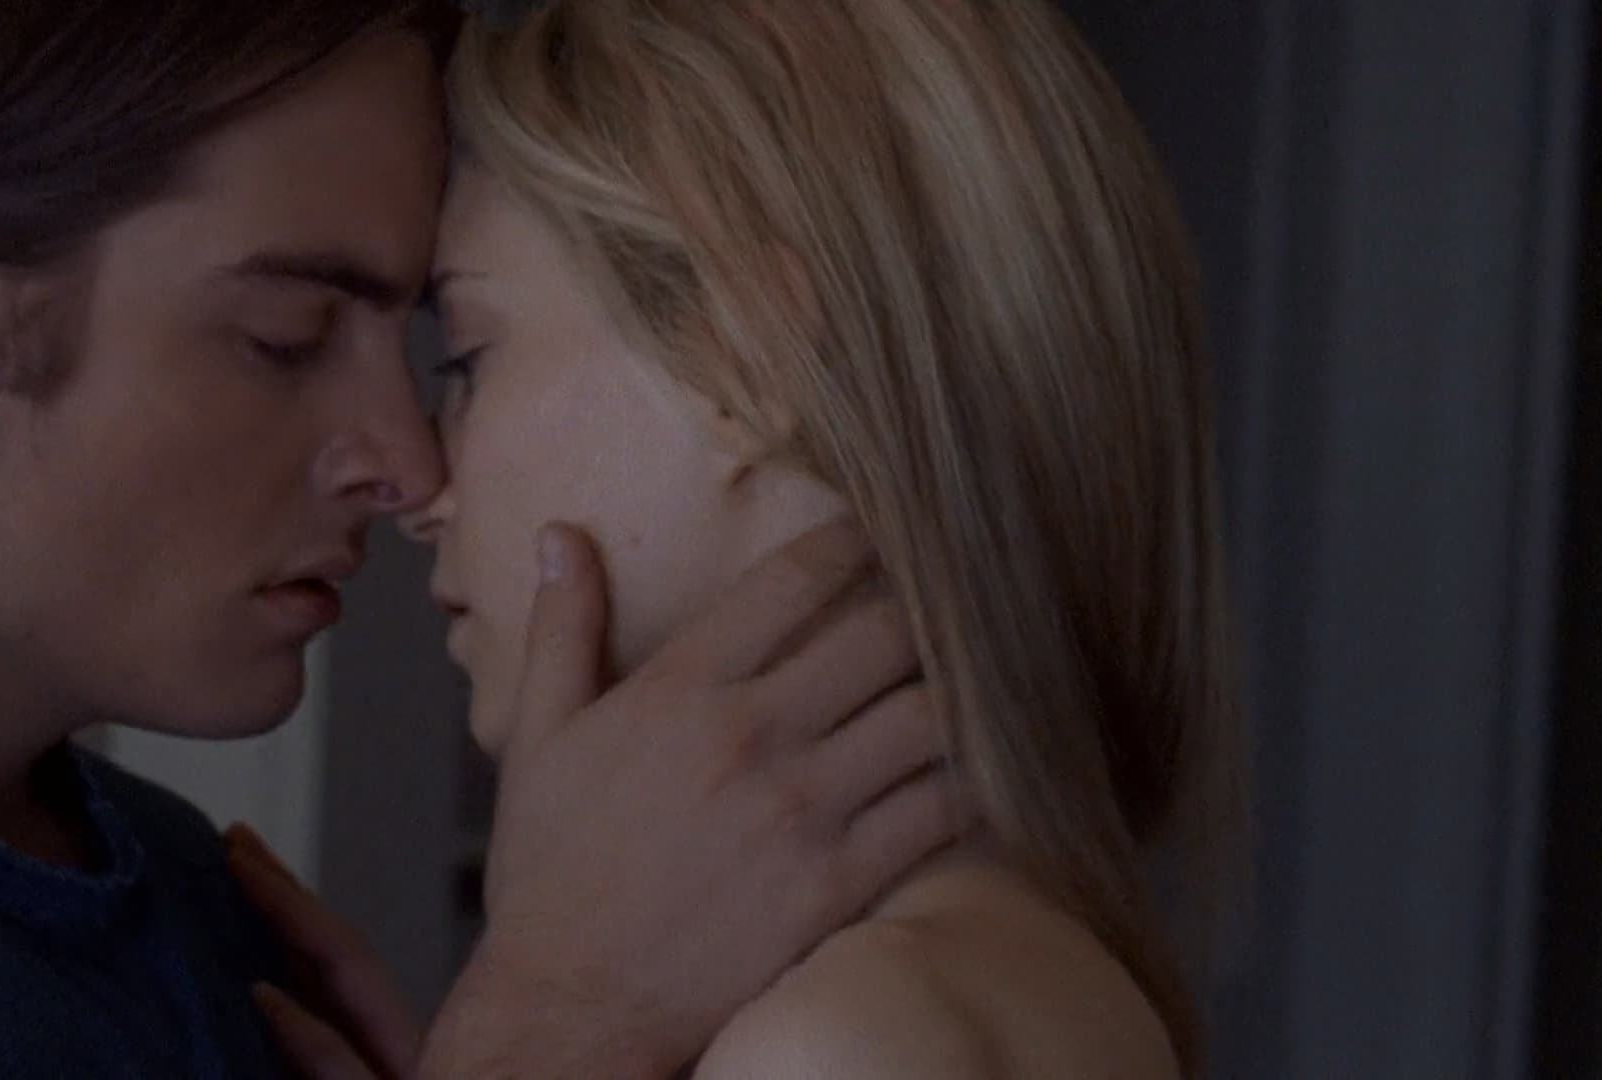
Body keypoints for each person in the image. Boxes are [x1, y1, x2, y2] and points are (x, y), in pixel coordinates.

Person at [0, 2, 953, 1077]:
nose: (409, 464)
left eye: (426, 346)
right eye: (283, 337)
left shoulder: (205, 904)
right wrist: (550, 1032)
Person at [245, 0, 1248, 1076]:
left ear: (746, 356)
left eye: (466, 362)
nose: (421, 488)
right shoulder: (1019, 972)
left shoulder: (840, 1040)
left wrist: (531, 1028)